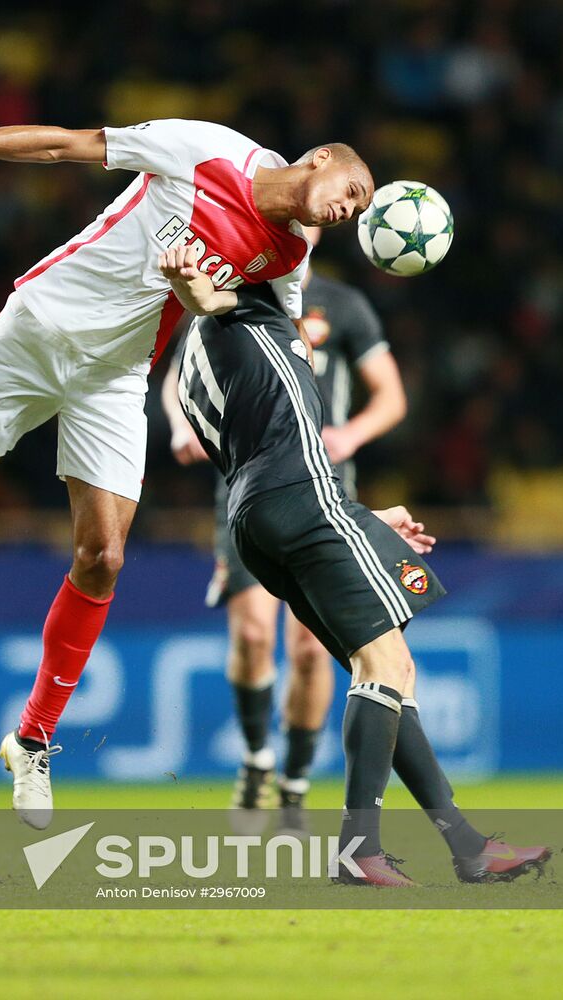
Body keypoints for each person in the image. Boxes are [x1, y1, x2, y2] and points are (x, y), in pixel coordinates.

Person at [0, 119, 374, 828]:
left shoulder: (285, 259)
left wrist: (204, 301)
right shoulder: (205, 150)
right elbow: (68, 144)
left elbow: (260, 333)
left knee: (102, 557)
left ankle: (32, 741)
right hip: (40, 327)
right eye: (352, 189)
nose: (352, 208)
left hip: (116, 377)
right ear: (317, 158)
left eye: (359, 209)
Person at [161, 246, 550, 886]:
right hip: (305, 500)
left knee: (392, 673)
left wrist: (363, 518)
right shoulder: (247, 306)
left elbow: (273, 438)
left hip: (263, 511)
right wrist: (192, 282)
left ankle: (466, 845)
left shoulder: (225, 345)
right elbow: (213, 300)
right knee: (386, 665)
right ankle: (357, 846)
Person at [162, 227, 407, 826]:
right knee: (250, 634)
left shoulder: (344, 305)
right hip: (248, 483)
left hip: (326, 481)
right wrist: (180, 424)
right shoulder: (237, 286)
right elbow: (178, 372)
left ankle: (294, 785)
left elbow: (391, 397)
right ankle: (255, 759)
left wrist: (349, 435)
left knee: (309, 648)